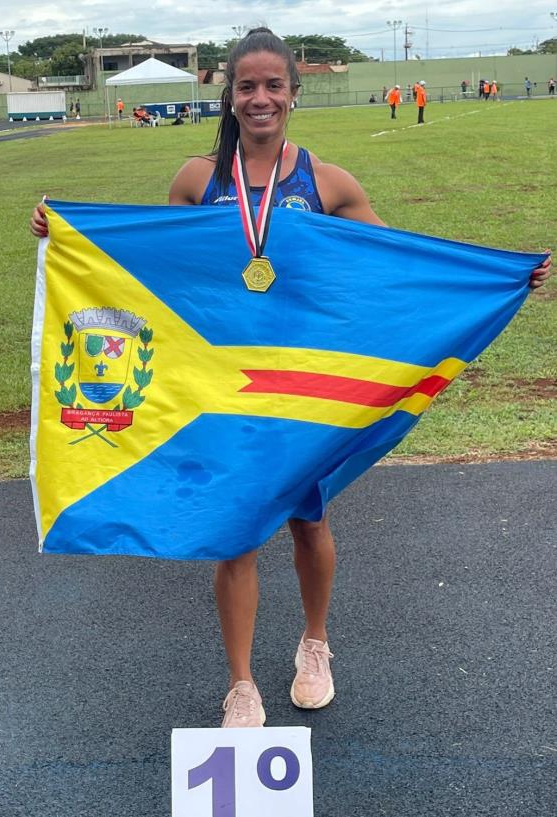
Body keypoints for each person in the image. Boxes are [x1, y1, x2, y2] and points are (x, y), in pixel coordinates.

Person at [28, 28, 551, 728]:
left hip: (302, 393)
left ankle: (315, 642)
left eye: (274, 85)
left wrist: (494, 278)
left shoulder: (327, 182)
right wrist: (65, 236)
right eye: (247, 86)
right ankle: (241, 683)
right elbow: (151, 274)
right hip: (221, 393)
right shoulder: (197, 180)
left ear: (293, 94)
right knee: (236, 530)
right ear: (230, 96)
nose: (261, 97)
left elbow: (392, 267)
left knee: (309, 521)